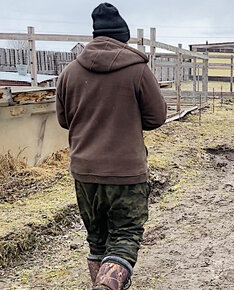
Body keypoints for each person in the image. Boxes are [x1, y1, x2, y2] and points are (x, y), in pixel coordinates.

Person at [56, 3, 167, 289]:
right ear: (123, 38)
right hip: (125, 173)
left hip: (84, 172)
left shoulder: (69, 72)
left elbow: (64, 120)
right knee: (125, 238)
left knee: (97, 240)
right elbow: (156, 117)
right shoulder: (137, 69)